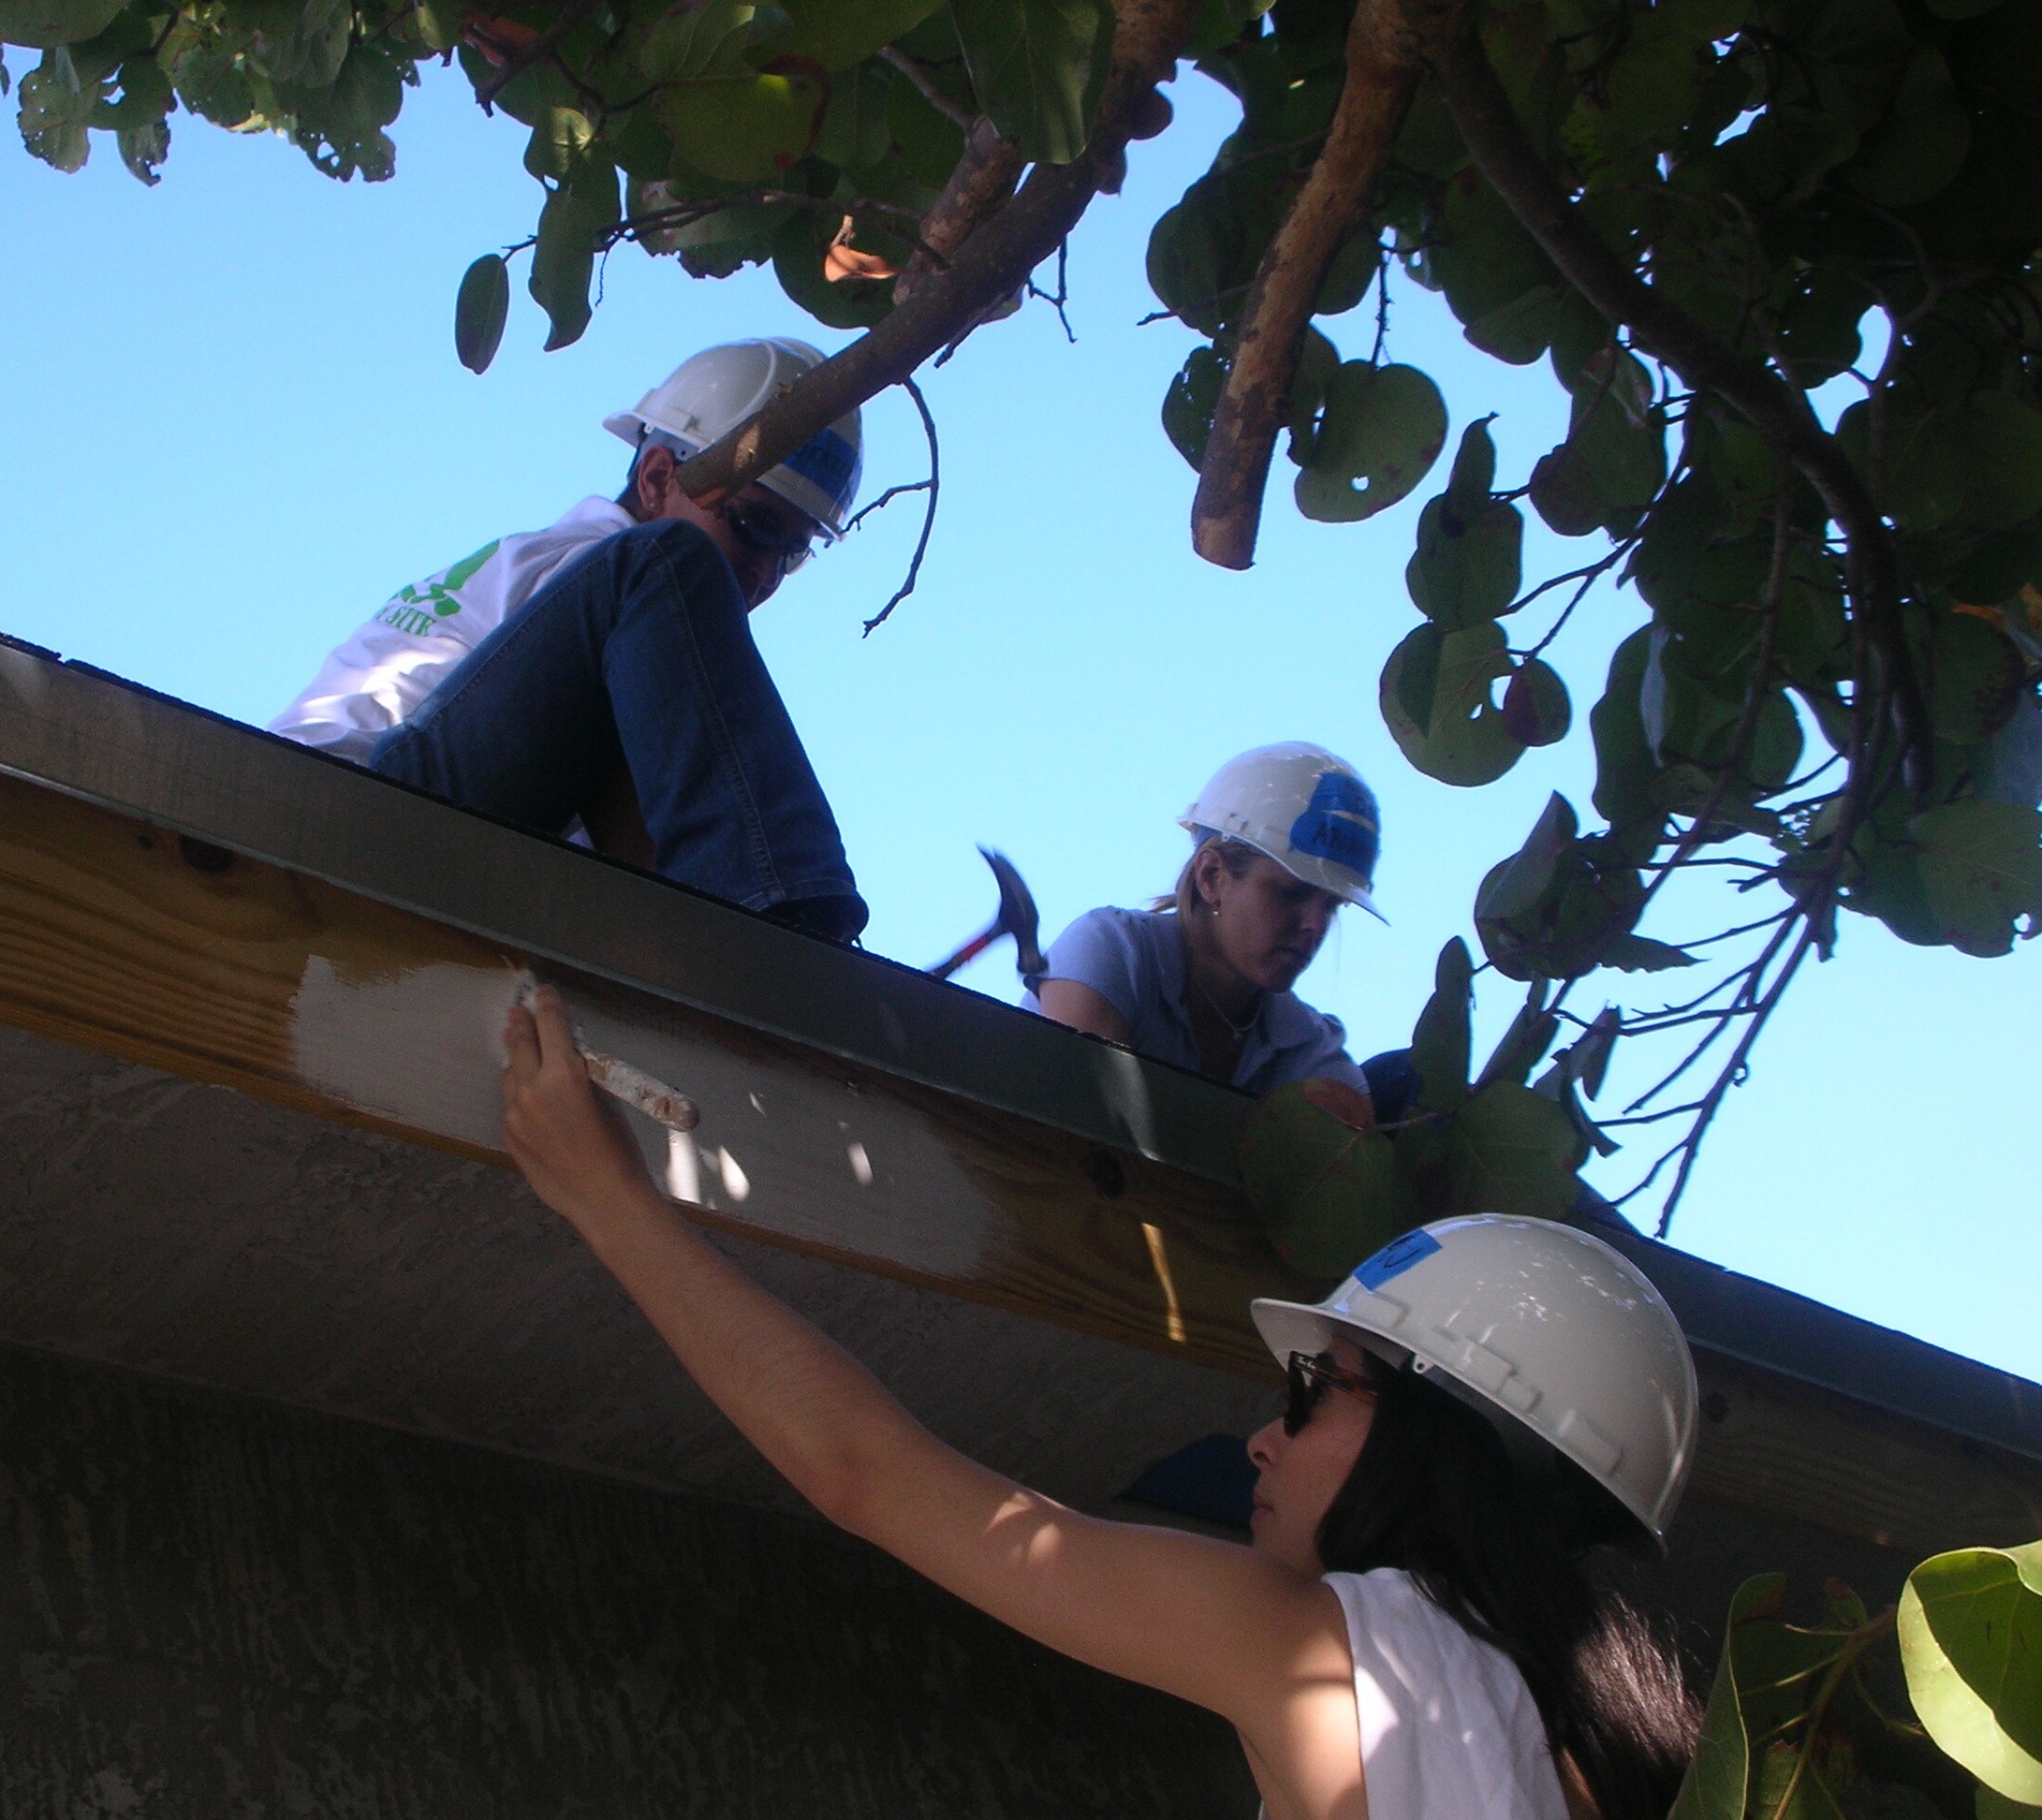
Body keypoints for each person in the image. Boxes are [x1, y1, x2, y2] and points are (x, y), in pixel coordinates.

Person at [500, 986, 1703, 1820]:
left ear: (1451, 1441)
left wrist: (606, 1198)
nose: (1263, 1436)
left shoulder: (1325, 1655)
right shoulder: (1637, 1759)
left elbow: (861, 1471)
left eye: (1319, 1392)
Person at [269, 338, 870, 944]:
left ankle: (779, 939)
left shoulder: (561, 594)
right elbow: (642, 849)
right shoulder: (608, 580)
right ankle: (794, 942)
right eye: (756, 527)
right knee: (664, 564)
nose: (767, 573)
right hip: (347, 822)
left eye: (791, 553)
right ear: (658, 476)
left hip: (385, 830)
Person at [1028, 743, 1380, 1096]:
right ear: (1212, 876)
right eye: (1290, 893)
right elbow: (1079, 1122)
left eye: (1332, 905)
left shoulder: (1308, 1045)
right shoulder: (1111, 952)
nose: (1315, 926)